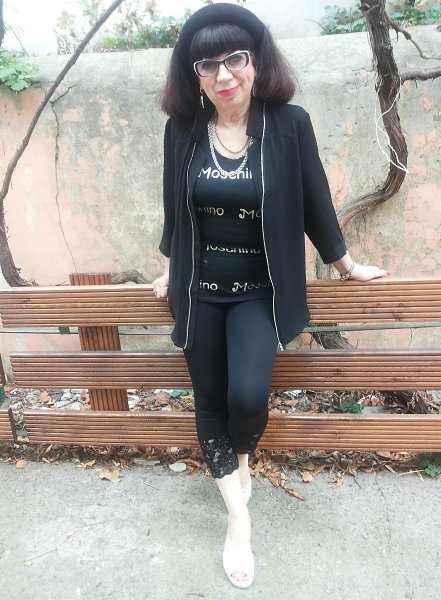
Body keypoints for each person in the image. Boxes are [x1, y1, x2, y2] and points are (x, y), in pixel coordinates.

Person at [152, 3, 388, 589]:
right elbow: (173, 208)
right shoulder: (182, 130)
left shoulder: (288, 124)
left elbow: (316, 204)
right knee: (210, 400)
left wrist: (346, 264)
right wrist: (169, 270)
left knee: (248, 397)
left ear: (256, 61)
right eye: (208, 64)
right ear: (195, 76)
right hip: (200, 293)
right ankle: (238, 519)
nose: (224, 74)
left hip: (259, 292)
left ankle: (242, 458)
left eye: (235, 58)